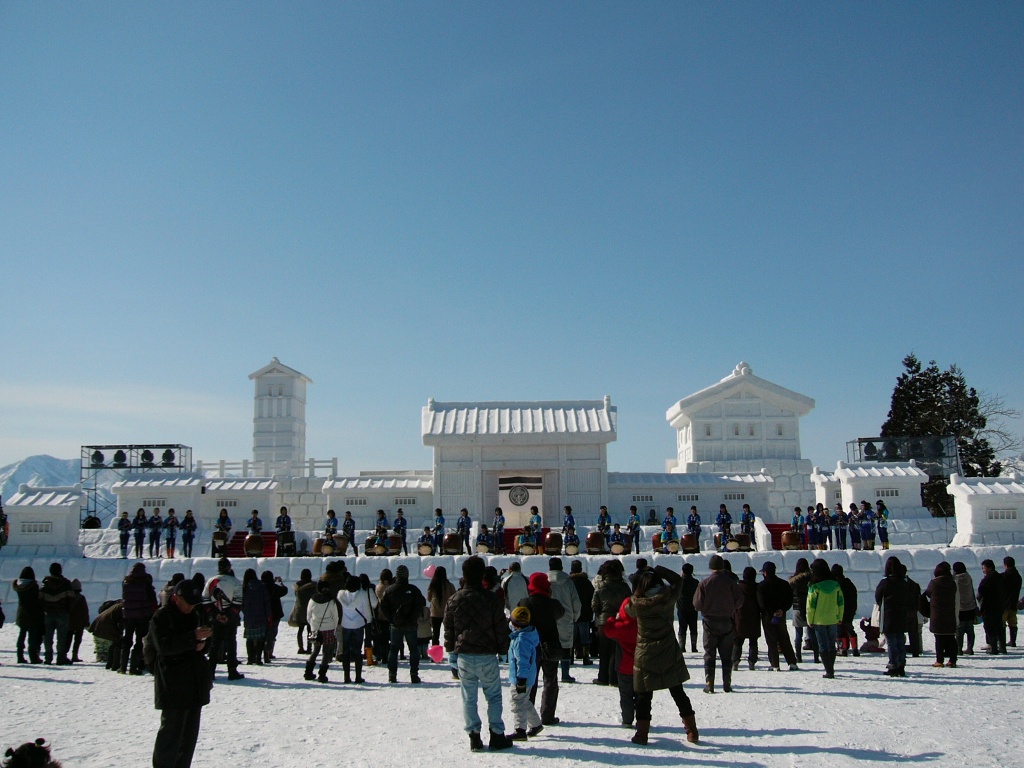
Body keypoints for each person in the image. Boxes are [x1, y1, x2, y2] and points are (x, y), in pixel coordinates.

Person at [444, 556, 514, 752]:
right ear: (482, 574)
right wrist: (503, 651)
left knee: (469, 697)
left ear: (463, 575)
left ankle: (474, 736)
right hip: (486, 654)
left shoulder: (454, 599)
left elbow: (449, 628)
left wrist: (451, 653)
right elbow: (500, 627)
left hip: (464, 654)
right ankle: (496, 734)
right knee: (493, 696)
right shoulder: (491, 599)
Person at [627, 565, 699, 745]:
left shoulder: (636, 604)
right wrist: (659, 570)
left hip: (646, 652)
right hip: (668, 649)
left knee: (643, 696)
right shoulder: (668, 598)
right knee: (678, 692)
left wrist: (638, 584)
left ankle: (642, 734)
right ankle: (691, 731)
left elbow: (628, 607)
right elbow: (679, 581)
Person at [150, 580, 214, 768]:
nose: (192, 607)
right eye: (188, 602)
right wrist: (192, 638)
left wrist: (203, 644)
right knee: (170, 736)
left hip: (195, 684)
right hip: (174, 686)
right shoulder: (162, 617)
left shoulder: (196, 614)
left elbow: (204, 643)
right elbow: (163, 647)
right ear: (176, 599)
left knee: (188, 739)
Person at [519, 572, 565, 726]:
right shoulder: (553, 604)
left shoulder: (524, 603)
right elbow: (561, 613)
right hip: (550, 646)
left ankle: (530, 715)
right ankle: (548, 715)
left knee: (530, 682)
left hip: (530, 647)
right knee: (550, 681)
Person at [693, 554, 743, 693]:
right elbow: (739, 601)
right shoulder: (731, 583)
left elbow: (697, 605)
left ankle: (710, 683)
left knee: (710, 652)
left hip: (709, 622)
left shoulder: (704, 583)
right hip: (727, 620)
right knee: (726, 654)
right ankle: (727, 683)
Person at [382, 564, 426, 684]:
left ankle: (392, 674)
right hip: (411, 624)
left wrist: (392, 619)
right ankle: (414, 674)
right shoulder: (414, 589)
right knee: (413, 649)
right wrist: (412, 617)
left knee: (394, 649)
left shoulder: (389, 590)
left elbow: (384, 607)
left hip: (396, 624)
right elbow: (420, 605)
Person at [202, 558, 244, 681]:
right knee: (231, 643)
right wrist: (228, 615)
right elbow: (238, 601)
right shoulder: (235, 582)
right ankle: (232, 671)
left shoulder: (211, 581)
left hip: (216, 617)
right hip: (230, 618)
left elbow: (205, 599)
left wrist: (215, 614)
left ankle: (211, 671)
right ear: (229, 567)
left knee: (215, 644)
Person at [592, 559, 631, 686]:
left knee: (603, 650)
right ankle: (614, 678)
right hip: (619, 620)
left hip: (603, 622)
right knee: (617, 650)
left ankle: (602, 677)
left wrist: (600, 615)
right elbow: (629, 604)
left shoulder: (601, 586)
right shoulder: (624, 586)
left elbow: (594, 605)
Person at [507, 606, 542, 741]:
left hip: (522, 677)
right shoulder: (528, 633)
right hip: (528, 676)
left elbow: (522, 662)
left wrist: (521, 679)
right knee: (524, 700)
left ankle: (520, 730)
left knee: (517, 702)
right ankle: (536, 724)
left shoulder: (521, 640)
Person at [756, 561, 799, 671]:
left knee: (771, 640)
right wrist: (782, 610)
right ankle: (792, 662)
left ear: (765, 573)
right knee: (784, 638)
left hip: (767, 616)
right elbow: (789, 599)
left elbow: (762, 603)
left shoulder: (761, 586)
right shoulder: (784, 584)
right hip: (781, 615)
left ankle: (775, 664)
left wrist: (771, 611)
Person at [603, 598, 638, 728]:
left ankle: (627, 720)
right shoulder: (642, 625)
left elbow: (608, 630)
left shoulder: (622, 626)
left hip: (624, 666)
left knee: (626, 695)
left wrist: (614, 619)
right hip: (642, 665)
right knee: (642, 695)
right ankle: (643, 719)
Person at [806, 559, 843, 679]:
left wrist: (809, 620)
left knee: (822, 646)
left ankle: (829, 670)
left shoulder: (814, 586)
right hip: (833, 618)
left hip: (819, 619)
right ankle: (831, 667)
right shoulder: (836, 584)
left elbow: (810, 605)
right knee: (831, 644)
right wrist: (840, 617)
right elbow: (841, 602)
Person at [547, 558, 581, 684]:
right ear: (561, 567)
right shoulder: (568, 582)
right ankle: (565, 674)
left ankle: (551, 674)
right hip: (566, 617)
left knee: (550, 645)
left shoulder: (546, 581)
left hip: (549, 617)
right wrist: (574, 616)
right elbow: (576, 602)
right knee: (565, 646)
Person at [875, 556, 910, 676]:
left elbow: (878, 596)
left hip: (889, 615)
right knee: (900, 640)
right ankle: (901, 664)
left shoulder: (886, 582)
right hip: (902, 614)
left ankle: (893, 664)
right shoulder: (904, 582)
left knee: (891, 642)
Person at [922, 562, 959, 668]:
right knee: (951, 638)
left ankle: (939, 660)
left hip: (937, 614)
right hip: (950, 613)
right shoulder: (952, 582)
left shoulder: (934, 582)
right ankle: (953, 660)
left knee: (939, 638)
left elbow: (928, 593)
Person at [304, 579, 341, 683]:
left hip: (315, 628)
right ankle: (322, 675)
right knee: (325, 653)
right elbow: (335, 617)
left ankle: (308, 672)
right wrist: (333, 627)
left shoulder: (312, 599)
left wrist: (312, 625)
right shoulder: (331, 601)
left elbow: (308, 616)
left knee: (315, 651)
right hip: (328, 628)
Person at [39, 563, 74, 666]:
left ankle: (48, 658)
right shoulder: (66, 584)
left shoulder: (45, 584)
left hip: (48, 613)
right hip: (62, 613)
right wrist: (68, 610)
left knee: (48, 637)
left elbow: (40, 600)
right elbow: (71, 599)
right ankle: (60, 658)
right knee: (62, 637)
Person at [337, 576, 371, 683]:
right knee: (357, 651)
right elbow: (366, 609)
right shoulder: (362, 594)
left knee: (346, 652)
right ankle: (358, 676)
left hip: (346, 624)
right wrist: (368, 621)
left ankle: (346, 677)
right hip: (359, 624)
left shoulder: (341, 594)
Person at [732, 567, 761, 671]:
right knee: (753, 642)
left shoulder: (738, 587)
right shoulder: (758, 587)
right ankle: (752, 661)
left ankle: (735, 661)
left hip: (740, 618)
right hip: (754, 618)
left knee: (738, 641)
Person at [13, 566, 44, 664]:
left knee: (22, 635)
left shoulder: (18, 586)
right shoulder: (33, 586)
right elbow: (37, 599)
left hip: (21, 613)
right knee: (32, 637)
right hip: (33, 614)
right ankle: (33, 657)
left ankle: (19, 655)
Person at [241, 568, 271, 666]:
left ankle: (250, 659)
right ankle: (258, 658)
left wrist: (245, 611)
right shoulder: (261, 586)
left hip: (249, 616)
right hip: (261, 615)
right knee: (260, 638)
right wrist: (269, 615)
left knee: (249, 638)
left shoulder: (245, 587)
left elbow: (241, 602)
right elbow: (266, 602)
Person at [977, 558, 1006, 654]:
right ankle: (1002, 647)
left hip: (988, 607)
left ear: (989, 568)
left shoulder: (987, 579)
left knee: (990, 628)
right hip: (999, 606)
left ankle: (993, 648)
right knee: (999, 627)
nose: (983, 570)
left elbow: (981, 591)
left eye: (984, 568)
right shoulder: (1000, 577)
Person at [569, 560, 595, 666]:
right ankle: (585, 658)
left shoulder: (569, 582)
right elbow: (592, 597)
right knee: (585, 638)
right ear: (580, 569)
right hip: (585, 613)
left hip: (572, 614)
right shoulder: (586, 582)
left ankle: (570, 658)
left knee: (571, 638)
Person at [790, 558, 814, 663]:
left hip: (797, 607)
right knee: (811, 631)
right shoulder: (812, 578)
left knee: (798, 633)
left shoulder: (794, 580)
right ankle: (816, 655)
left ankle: (798, 656)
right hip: (810, 607)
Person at [833, 564, 859, 656]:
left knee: (839, 630)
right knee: (850, 629)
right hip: (850, 610)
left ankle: (842, 648)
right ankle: (855, 648)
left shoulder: (835, 585)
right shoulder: (849, 583)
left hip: (839, 611)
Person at [260, 571, 287, 662]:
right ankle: (269, 652)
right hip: (275, 614)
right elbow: (284, 590)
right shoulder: (275, 588)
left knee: (262, 634)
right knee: (272, 634)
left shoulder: (261, 588)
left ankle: (261, 651)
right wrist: (280, 582)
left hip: (263, 614)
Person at [953, 561, 978, 655]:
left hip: (960, 608)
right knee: (970, 629)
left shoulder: (955, 579)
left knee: (960, 630)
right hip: (971, 607)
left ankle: (959, 649)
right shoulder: (968, 577)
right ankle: (970, 648)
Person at [428, 566, 457, 647]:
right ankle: (450, 649)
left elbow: (429, 598)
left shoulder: (433, 585)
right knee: (449, 632)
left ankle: (435, 653)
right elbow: (454, 598)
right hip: (447, 612)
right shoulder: (449, 585)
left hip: (435, 613)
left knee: (435, 634)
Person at [675, 563, 700, 653]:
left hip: (681, 608)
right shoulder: (696, 582)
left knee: (682, 627)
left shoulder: (679, 582)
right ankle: (694, 646)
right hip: (693, 608)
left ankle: (682, 646)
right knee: (693, 627)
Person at [290, 568, 316, 654]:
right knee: (310, 630)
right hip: (310, 610)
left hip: (300, 610)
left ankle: (300, 647)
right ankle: (309, 648)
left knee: (300, 629)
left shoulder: (297, 587)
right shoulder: (313, 586)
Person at [68, 579, 90, 664]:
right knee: (77, 640)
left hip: (69, 622)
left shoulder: (68, 597)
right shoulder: (81, 598)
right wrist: (86, 622)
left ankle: (64, 654)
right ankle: (74, 655)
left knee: (68, 639)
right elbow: (85, 611)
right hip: (79, 622)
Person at [1003, 556, 1022, 647]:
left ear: (1006, 565)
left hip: (1005, 604)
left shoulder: (1004, 576)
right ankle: (1013, 641)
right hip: (1014, 603)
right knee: (1013, 623)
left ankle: (1001, 642)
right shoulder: (1018, 576)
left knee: (1002, 623)